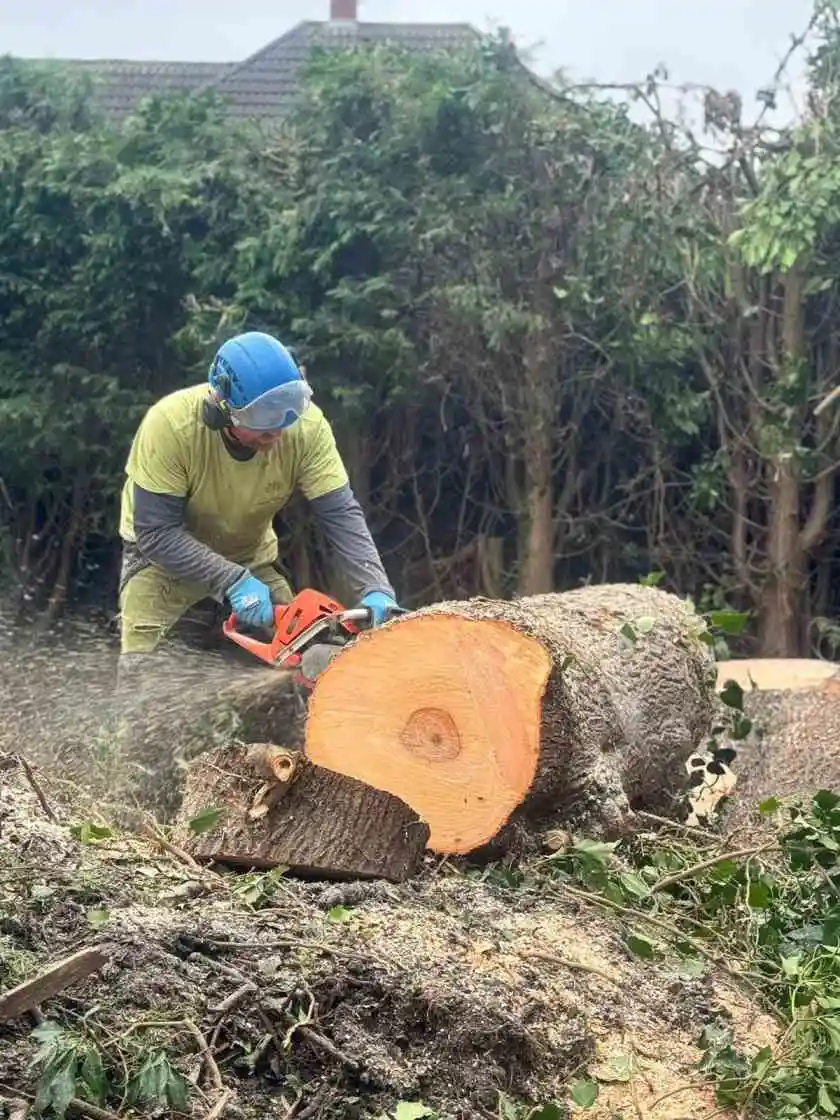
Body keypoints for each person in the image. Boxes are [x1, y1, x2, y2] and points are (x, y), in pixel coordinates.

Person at [116, 330, 400, 674]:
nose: (277, 430)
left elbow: (339, 512)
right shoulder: (171, 427)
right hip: (159, 563)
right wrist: (231, 580)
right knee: (142, 688)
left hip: (250, 558)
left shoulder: (307, 429)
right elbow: (156, 532)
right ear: (220, 410)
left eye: (287, 410)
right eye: (263, 417)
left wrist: (375, 587)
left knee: (302, 663)